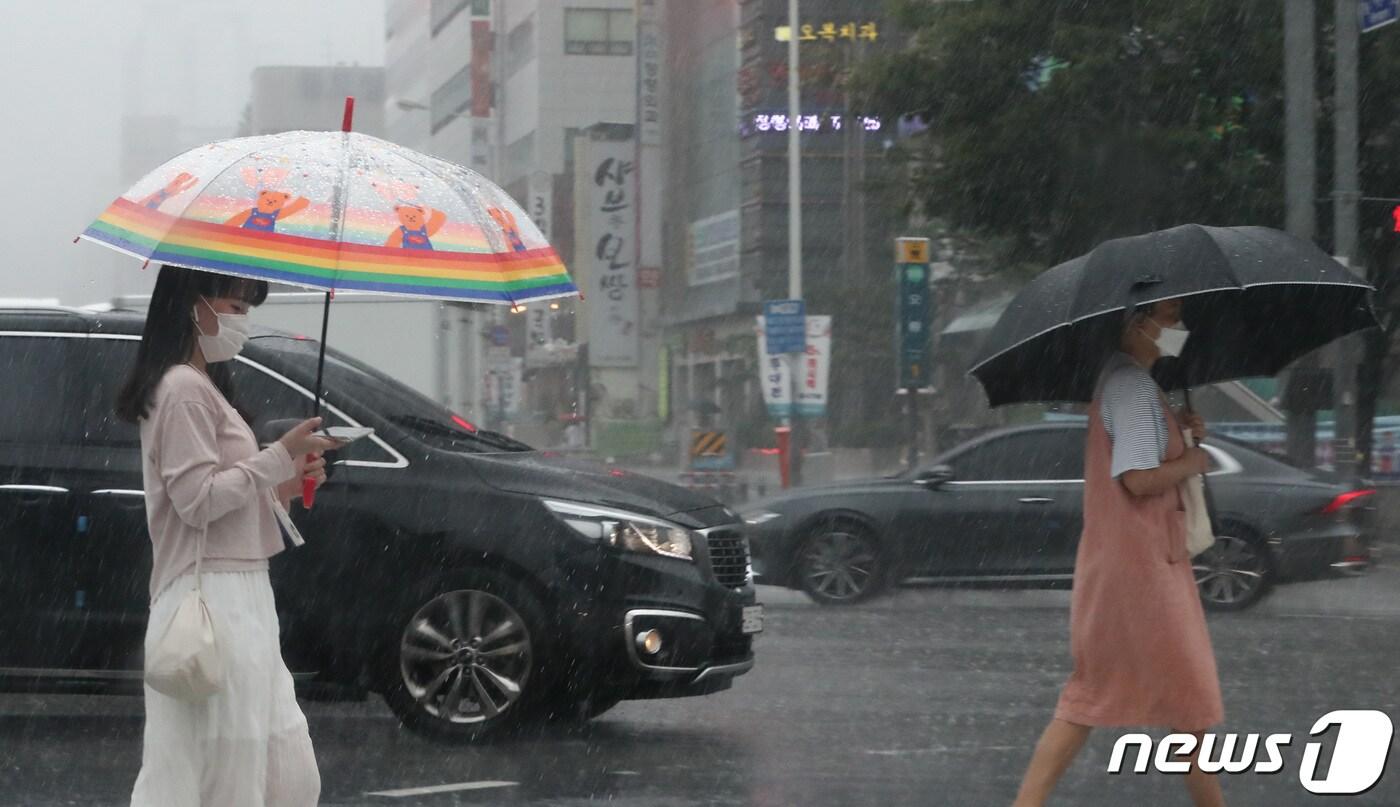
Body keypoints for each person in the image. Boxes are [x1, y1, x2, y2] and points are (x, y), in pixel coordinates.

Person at [116, 265, 339, 807]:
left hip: (241, 596)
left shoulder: (203, 388)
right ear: (195, 305)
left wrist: (287, 479)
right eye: (235, 307)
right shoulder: (184, 390)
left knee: (274, 772)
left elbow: (228, 502)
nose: (242, 322)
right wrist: (276, 457)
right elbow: (196, 502)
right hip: (212, 600)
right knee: (232, 772)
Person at [1012, 298, 1226, 807]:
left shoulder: (1132, 383)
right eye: (1170, 318)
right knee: (1183, 700)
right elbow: (1136, 479)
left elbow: (1142, 459)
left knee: (1111, 696)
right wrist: (1193, 459)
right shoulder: (1130, 387)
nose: (1178, 328)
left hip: (1139, 561)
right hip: (1141, 568)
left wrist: (1181, 427)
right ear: (1138, 323)